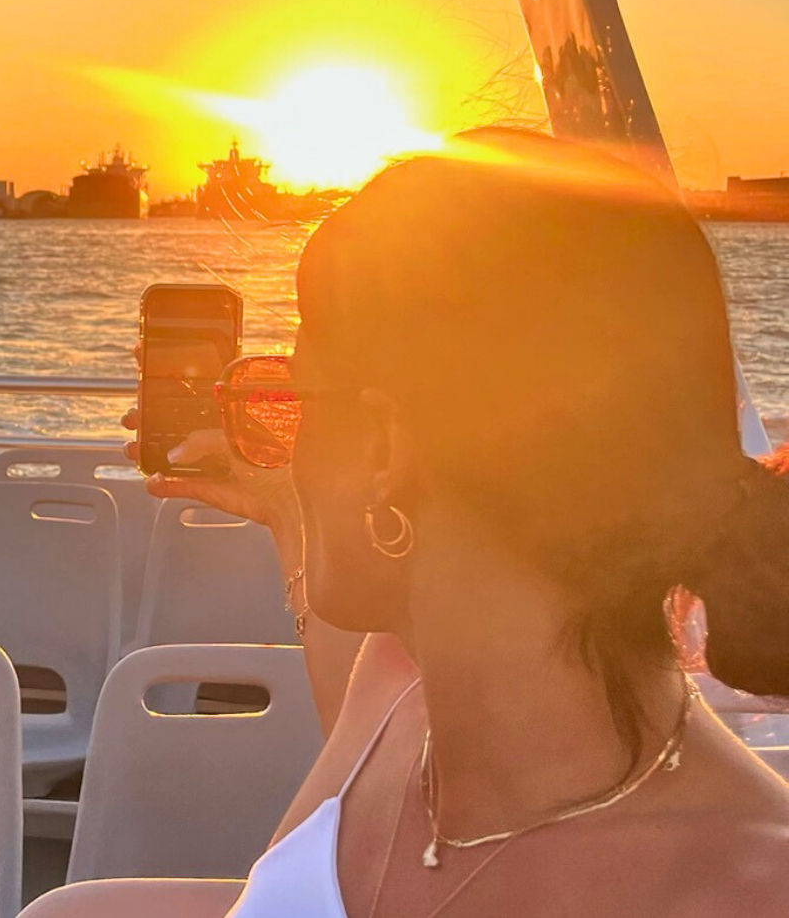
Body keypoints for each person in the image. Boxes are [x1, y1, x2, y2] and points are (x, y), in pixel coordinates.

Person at [133, 129, 789, 915]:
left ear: (382, 447)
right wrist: (287, 510)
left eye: (294, 400)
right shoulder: (398, 694)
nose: (285, 445)